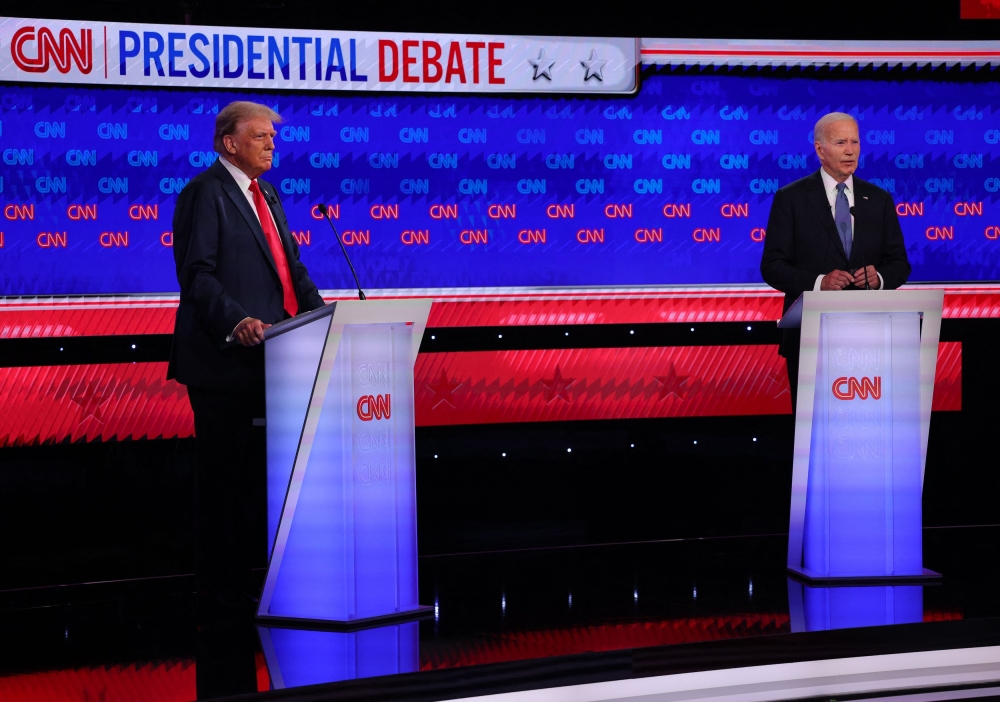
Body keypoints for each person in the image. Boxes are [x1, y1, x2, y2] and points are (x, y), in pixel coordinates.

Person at [167, 101, 325, 604]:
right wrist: (237, 321)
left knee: (260, 482)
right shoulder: (204, 192)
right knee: (224, 484)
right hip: (224, 363)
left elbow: (291, 270)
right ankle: (219, 593)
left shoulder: (268, 194)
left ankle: (258, 586)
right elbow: (197, 274)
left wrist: (324, 317)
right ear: (229, 143)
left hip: (274, 361)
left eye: (272, 137)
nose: (271, 144)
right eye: (260, 136)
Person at [760, 112, 911, 409]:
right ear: (820, 149)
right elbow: (772, 266)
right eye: (841, 142)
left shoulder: (878, 199)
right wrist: (820, 283)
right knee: (814, 424)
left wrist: (879, 278)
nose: (850, 151)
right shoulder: (791, 199)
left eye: (855, 142)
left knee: (867, 419)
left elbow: (899, 264)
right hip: (810, 337)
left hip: (870, 336)